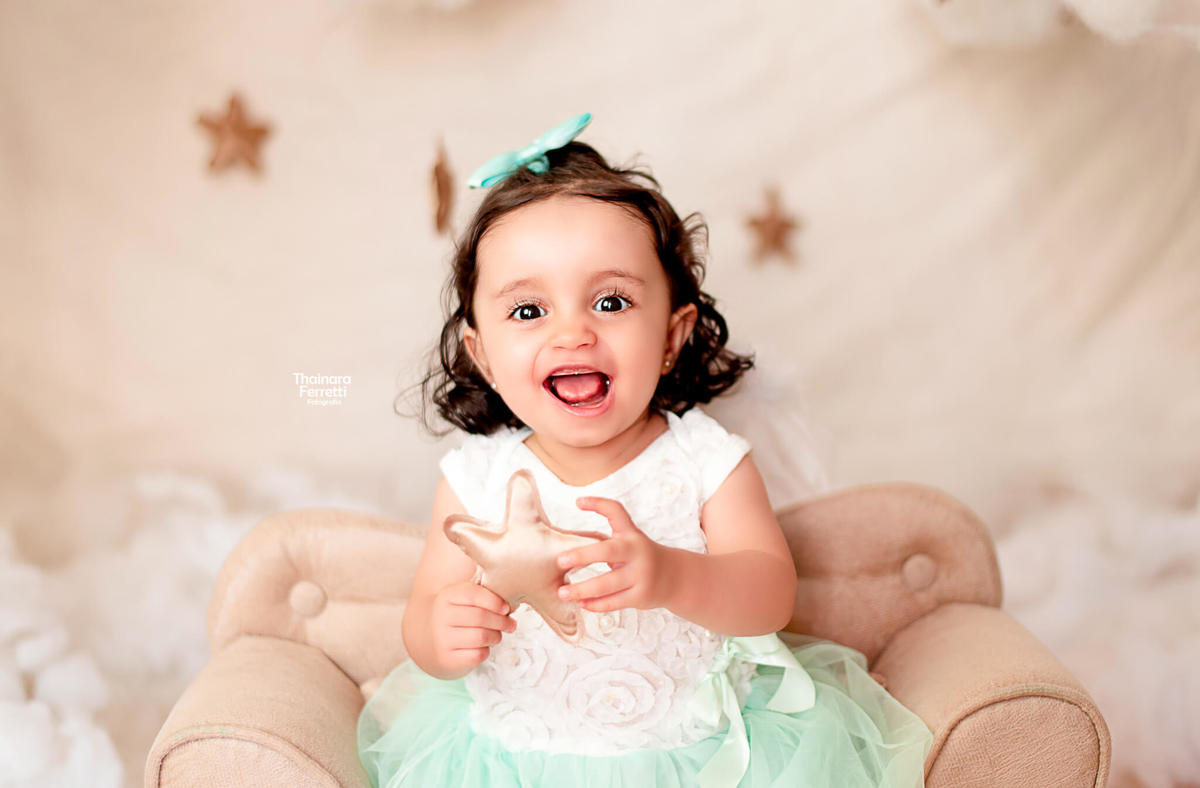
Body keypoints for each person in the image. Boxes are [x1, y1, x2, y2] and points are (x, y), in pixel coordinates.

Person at [357, 113, 932, 787]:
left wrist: (673, 577)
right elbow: (427, 611)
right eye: (528, 311)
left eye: (611, 302)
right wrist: (442, 634)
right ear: (481, 355)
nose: (572, 333)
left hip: (697, 758)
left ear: (671, 336)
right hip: (513, 761)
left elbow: (771, 595)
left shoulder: (707, 461)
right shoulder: (476, 477)